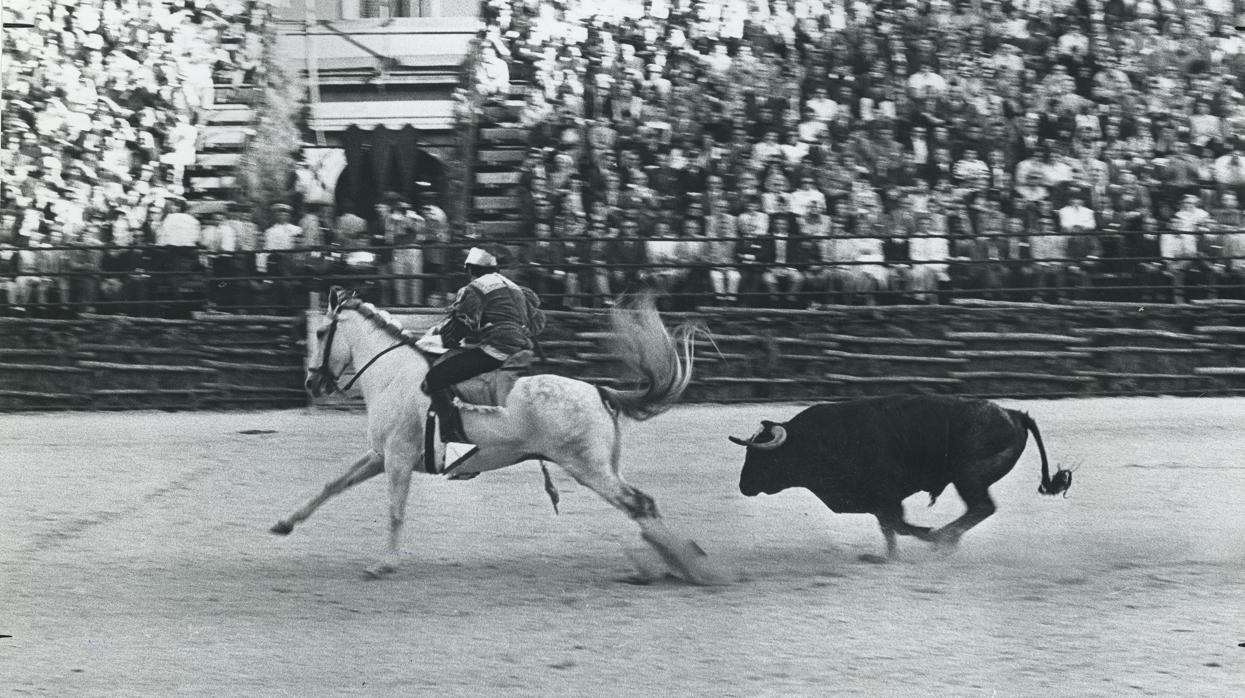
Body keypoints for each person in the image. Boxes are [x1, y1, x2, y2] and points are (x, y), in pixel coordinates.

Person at [419, 247, 546, 471]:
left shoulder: (474, 288)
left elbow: (458, 329)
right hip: (522, 348)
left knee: (435, 378)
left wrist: (433, 341)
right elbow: (536, 322)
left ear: (471, 270)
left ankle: (456, 443)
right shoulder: (515, 287)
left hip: (497, 347)